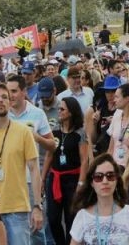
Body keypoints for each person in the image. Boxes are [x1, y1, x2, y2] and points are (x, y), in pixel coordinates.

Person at [0, 81, 44, 245]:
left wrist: (37, 206)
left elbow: (34, 169)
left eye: (5, 97)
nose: (1, 100)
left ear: (10, 103)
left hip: (17, 210)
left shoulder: (24, 132)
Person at [42, 97, 89, 245]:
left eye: (62, 109)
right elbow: (50, 154)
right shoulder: (54, 131)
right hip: (55, 179)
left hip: (72, 180)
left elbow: (84, 161)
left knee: (71, 219)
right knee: (53, 218)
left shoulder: (79, 133)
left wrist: (81, 184)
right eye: (59, 109)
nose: (59, 111)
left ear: (71, 112)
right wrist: (43, 179)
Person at [69, 153, 129, 244]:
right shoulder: (82, 216)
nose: (105, 181)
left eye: (110, 176)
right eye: (98, 177)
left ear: (116, 180)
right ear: (92, 183)